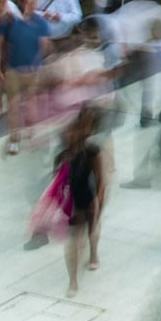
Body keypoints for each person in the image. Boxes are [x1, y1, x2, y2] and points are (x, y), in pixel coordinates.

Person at [0, 0, 52, 154]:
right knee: (13, 107)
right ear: (21, 3)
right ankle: (14, 139)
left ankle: (33, 133)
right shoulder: (10, 21)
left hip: (34, 72)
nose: (31, 6)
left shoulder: (41, 23)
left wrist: (44, 66)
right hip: (14, 71)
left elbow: (45, 47)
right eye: (28, 3)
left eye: (33, 3)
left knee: (33, 108)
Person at [61, 104, 106, 297]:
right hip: (73, 197)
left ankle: (94, 253)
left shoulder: (92, 151)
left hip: (87, 195)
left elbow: (100, 179)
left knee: (92, 229)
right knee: (73, 239)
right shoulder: (67, 151)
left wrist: (99, 202)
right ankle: (73, 280)